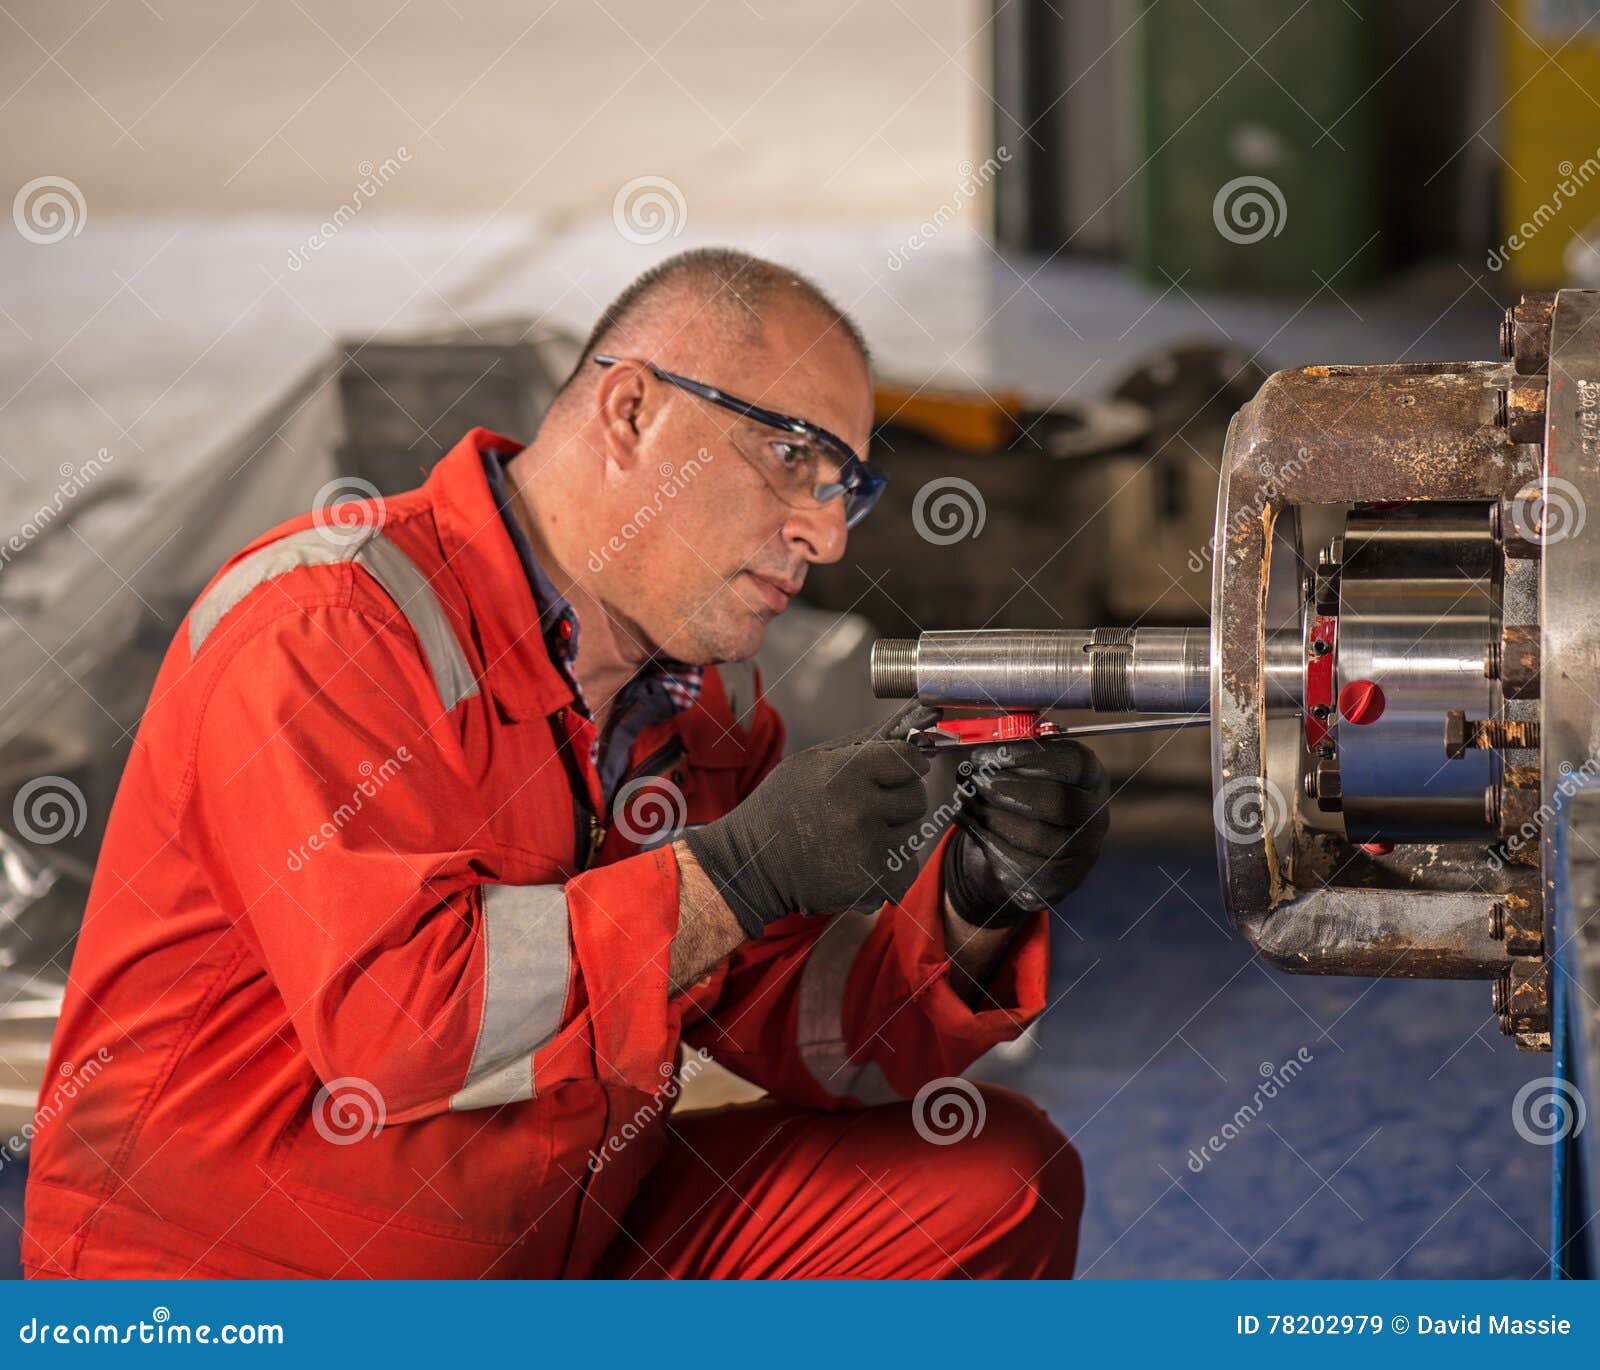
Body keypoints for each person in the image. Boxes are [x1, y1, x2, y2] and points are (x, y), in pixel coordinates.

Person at [23, 248, 1108, 1279]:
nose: (824, 536)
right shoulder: (327, 627)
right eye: (791, 458)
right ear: (631, 410)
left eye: (846, 488)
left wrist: (973, 903)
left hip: (541, 1239)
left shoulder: (695, 700)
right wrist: (732, 873)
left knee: (989, 1182)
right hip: (239, 1273)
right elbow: (398, 1030)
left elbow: (813, 1035)